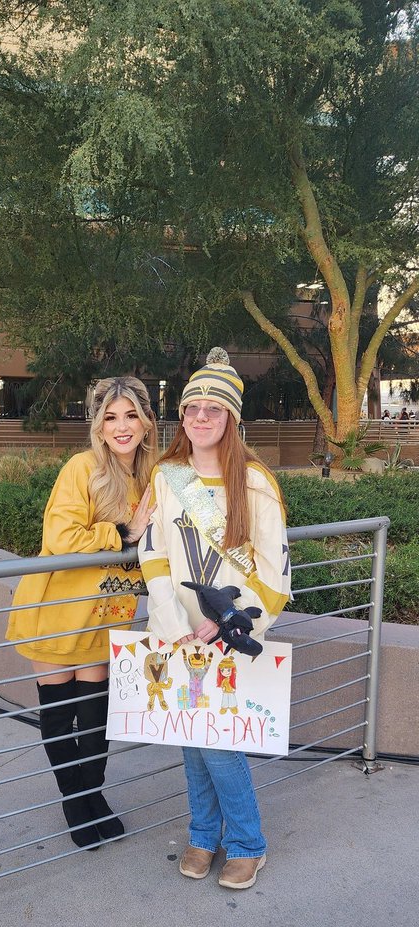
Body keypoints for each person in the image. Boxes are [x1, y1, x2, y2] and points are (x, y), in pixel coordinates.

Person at [138, 348, 291, 890]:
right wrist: (167, 618)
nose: (200, 417)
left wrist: (231, 620)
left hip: (228, 635)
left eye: (213, 409)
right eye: (191, 408)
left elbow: (274, 569)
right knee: (192, 738)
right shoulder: (167, 476)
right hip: (176, 631)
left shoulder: (255, 483)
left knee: (219, 743)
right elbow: (153, 553)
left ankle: (247, 843)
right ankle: (204, 836)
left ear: (232, 419)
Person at [6, 377, 158, 850]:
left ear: (147, 420)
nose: (121, 426)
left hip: (108, 611)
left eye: (131, 414)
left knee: (95, 721)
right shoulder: (83, 467)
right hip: (57, 610)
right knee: (59, 717)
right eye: (110, 416)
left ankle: (92, 795)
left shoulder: (155, 473)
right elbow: (61, 539)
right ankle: (77, 804)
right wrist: (125, 530)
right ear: (98, 423)